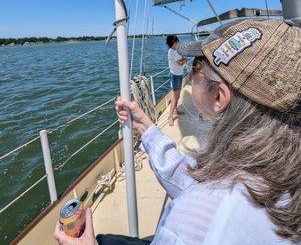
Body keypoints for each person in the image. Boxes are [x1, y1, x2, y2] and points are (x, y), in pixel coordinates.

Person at [54, 19, 301, 245]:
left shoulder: (192, 226)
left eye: (197, 67)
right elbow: (193, 181)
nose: (192, 74)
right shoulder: (276, 173)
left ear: (219, 96)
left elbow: (202, 197)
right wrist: (146, 128)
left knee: (105, 241)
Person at [166, 34, 186, 126]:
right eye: (176, 41)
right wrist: (183, 59)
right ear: (172, 42)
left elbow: (182, 60)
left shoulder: (176, 51)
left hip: (180, 74)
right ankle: (170, 117)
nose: (178, 42)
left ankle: (175, 110)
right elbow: (181, 63)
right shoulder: (171, 52)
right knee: (175, 96)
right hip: (175, 76)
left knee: (178, 95)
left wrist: (183, 59)